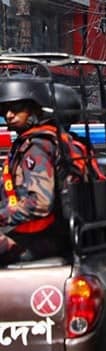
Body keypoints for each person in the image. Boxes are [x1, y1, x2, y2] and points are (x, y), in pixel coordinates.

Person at [0, 76, 70, 264]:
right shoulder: (50, 140)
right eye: (5, 109)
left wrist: (2, 215)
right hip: (41, 235)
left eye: (16, 109)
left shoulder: (38, 146)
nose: (8, 115)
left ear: (34, 109)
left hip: (41, 240)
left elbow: (40, 202)